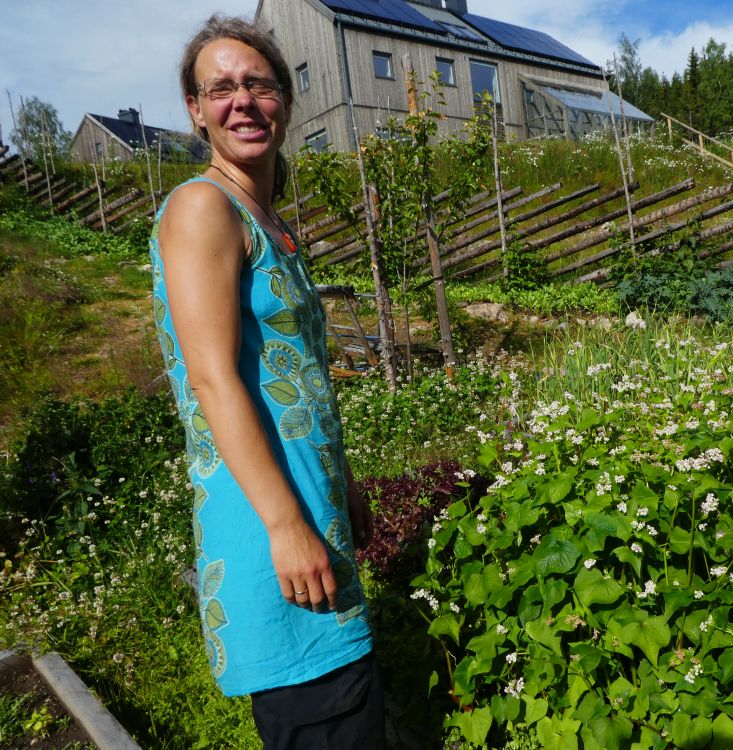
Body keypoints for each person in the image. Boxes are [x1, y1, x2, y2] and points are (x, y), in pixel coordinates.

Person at [149, 15, 385, 749]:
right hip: (268, 523)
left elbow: (295, 375)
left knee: (348, 713)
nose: (242, 100)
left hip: (307, 506)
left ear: (284, 99)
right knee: (326, 718)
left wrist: (343, 484)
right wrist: (286, 526)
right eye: (220, 88)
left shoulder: (266, 220)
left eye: (259, 84)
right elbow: (213, 378)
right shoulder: (203, 207)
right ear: (195, 110)